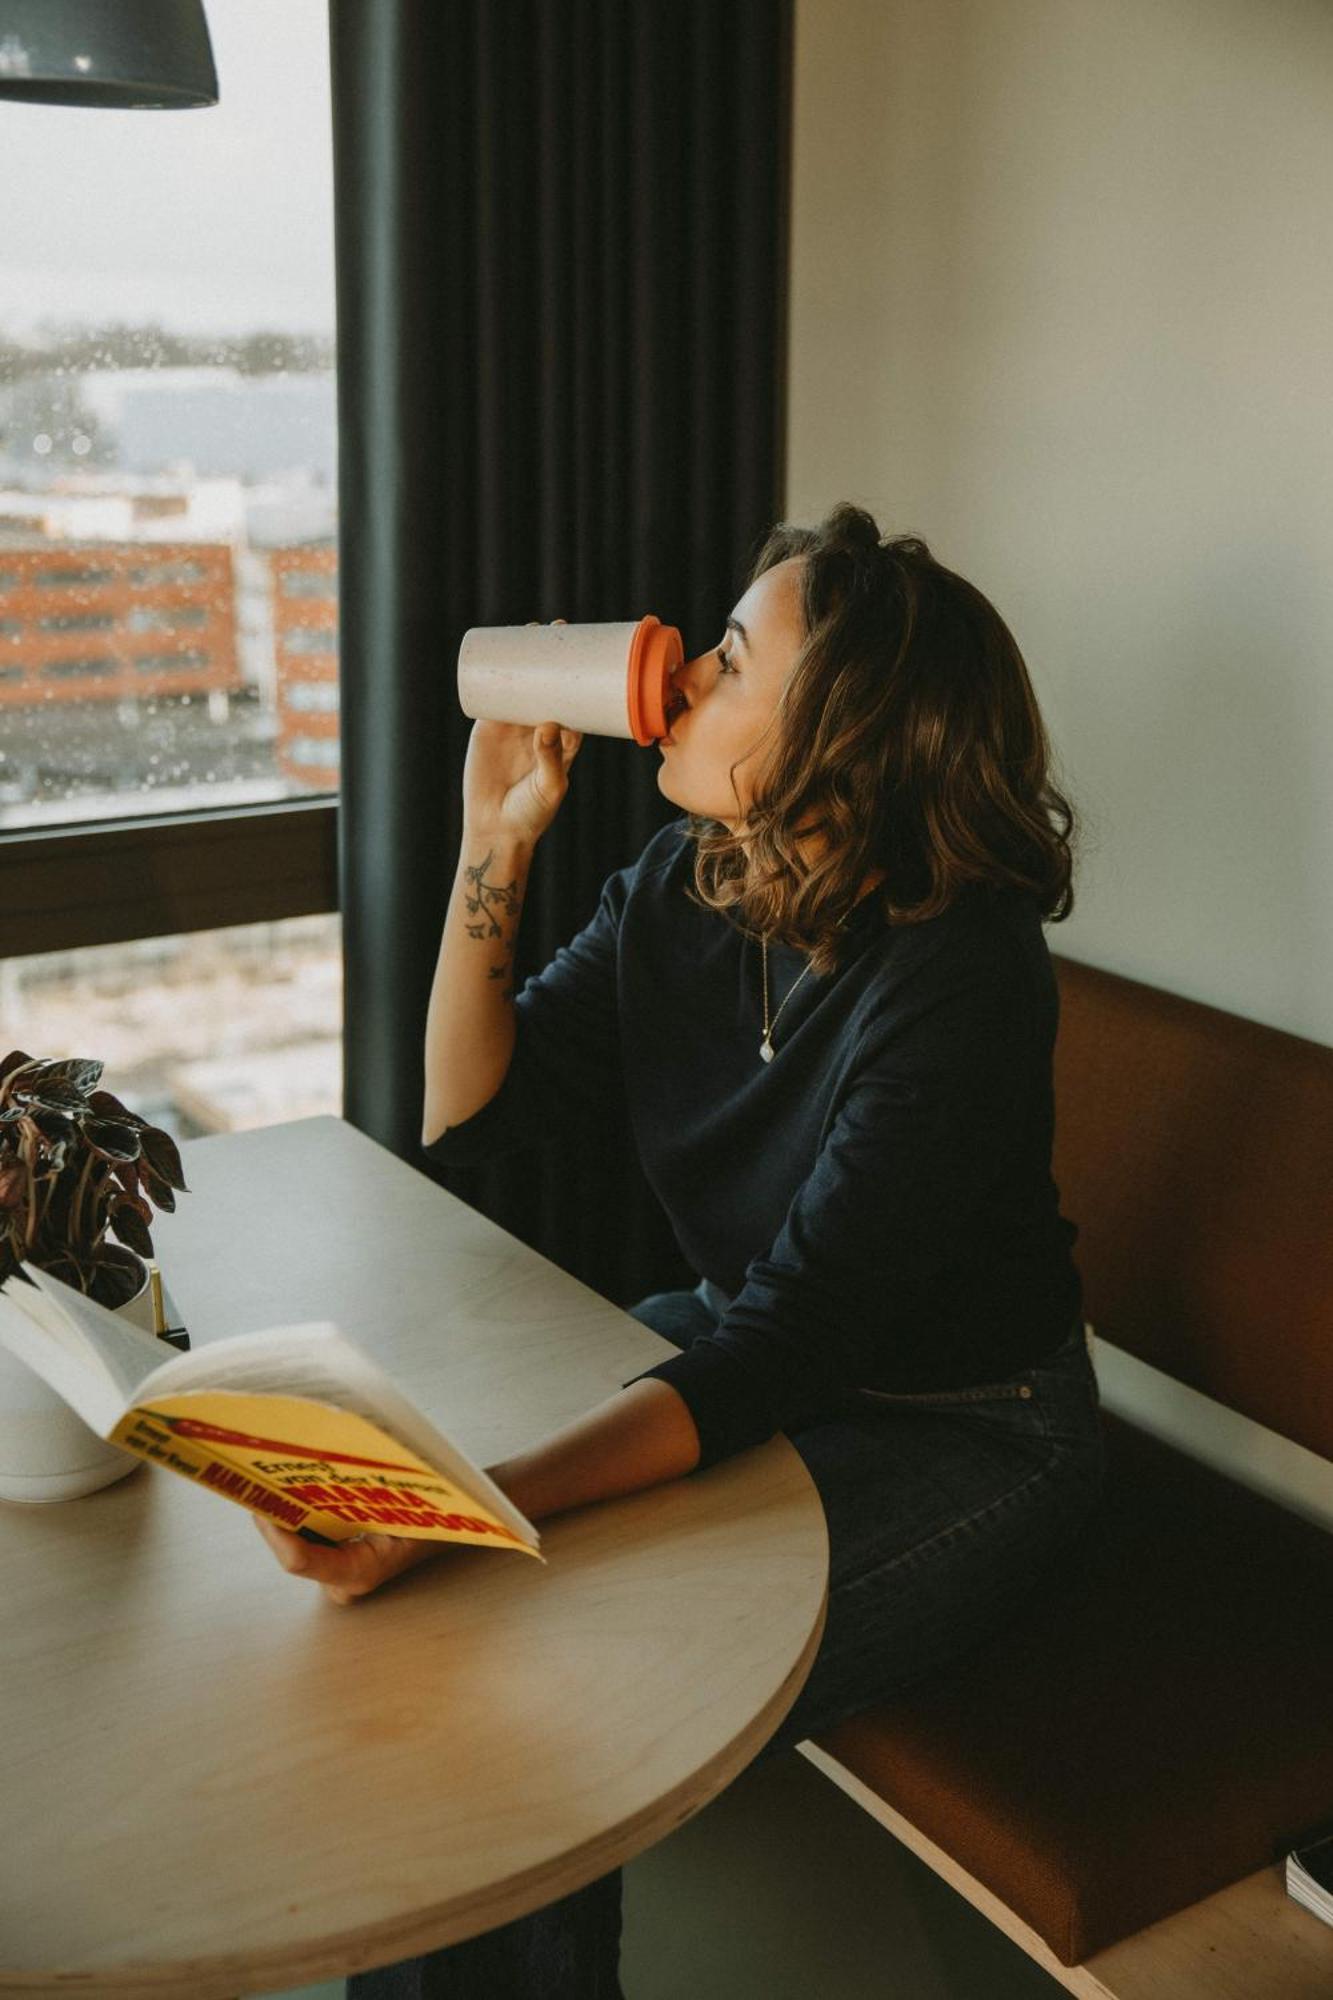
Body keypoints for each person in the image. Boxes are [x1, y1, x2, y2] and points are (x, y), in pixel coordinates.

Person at [253, 501, 1107, 1997]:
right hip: (742, 1348)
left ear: (842, 736)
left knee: (563, 1696)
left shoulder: (961, 981)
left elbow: (787, 1342)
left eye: (723, 661)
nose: (678, 678)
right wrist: (491, 840)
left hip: (966, 1432)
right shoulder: (693, 888)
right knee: (460, 1602)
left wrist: (475, 1512)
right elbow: (469, 1104)